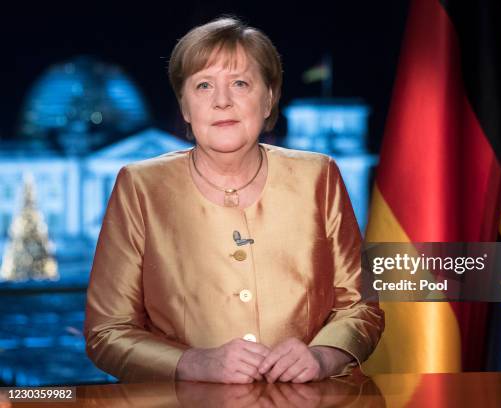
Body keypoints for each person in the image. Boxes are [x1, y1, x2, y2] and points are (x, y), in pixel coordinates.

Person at [84, 16, 384, 384]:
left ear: (269, 98)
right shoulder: (139, 185)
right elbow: (107, 332)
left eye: (240, 83)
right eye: (204, 86)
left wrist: (323, 357)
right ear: (185, 107)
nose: (222, 101)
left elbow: (361, 308)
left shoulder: (319, 176)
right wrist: (193, 364)